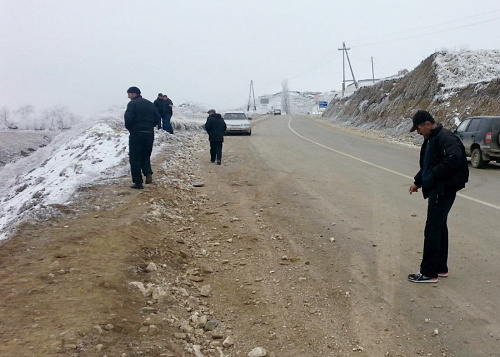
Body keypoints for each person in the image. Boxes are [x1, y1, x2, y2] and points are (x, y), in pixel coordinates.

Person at [408, 110, 469, 283]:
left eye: (419, 128)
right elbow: (427, 166)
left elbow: (454, 159)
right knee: (440, 227)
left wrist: (433, 175)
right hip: (439, 188)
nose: (418, 132)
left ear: (428, 124)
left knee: (432, 230)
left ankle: (428, 273)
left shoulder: (445, 138)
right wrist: (418, 182)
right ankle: (440, 268)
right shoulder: (432, 139)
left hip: (443, 189)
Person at [124, 86, 161, 189]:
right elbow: (157, 118)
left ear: (134, 94)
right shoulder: (150, 104)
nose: (128, 96)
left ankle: (138, 182)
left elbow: (128, 119)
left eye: (129, 94)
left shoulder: (132, 104)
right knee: (145, 155)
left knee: (135, 157)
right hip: (149, 133)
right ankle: (148, 173)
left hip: (137, 133)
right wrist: (149, 126)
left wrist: (131, 129)